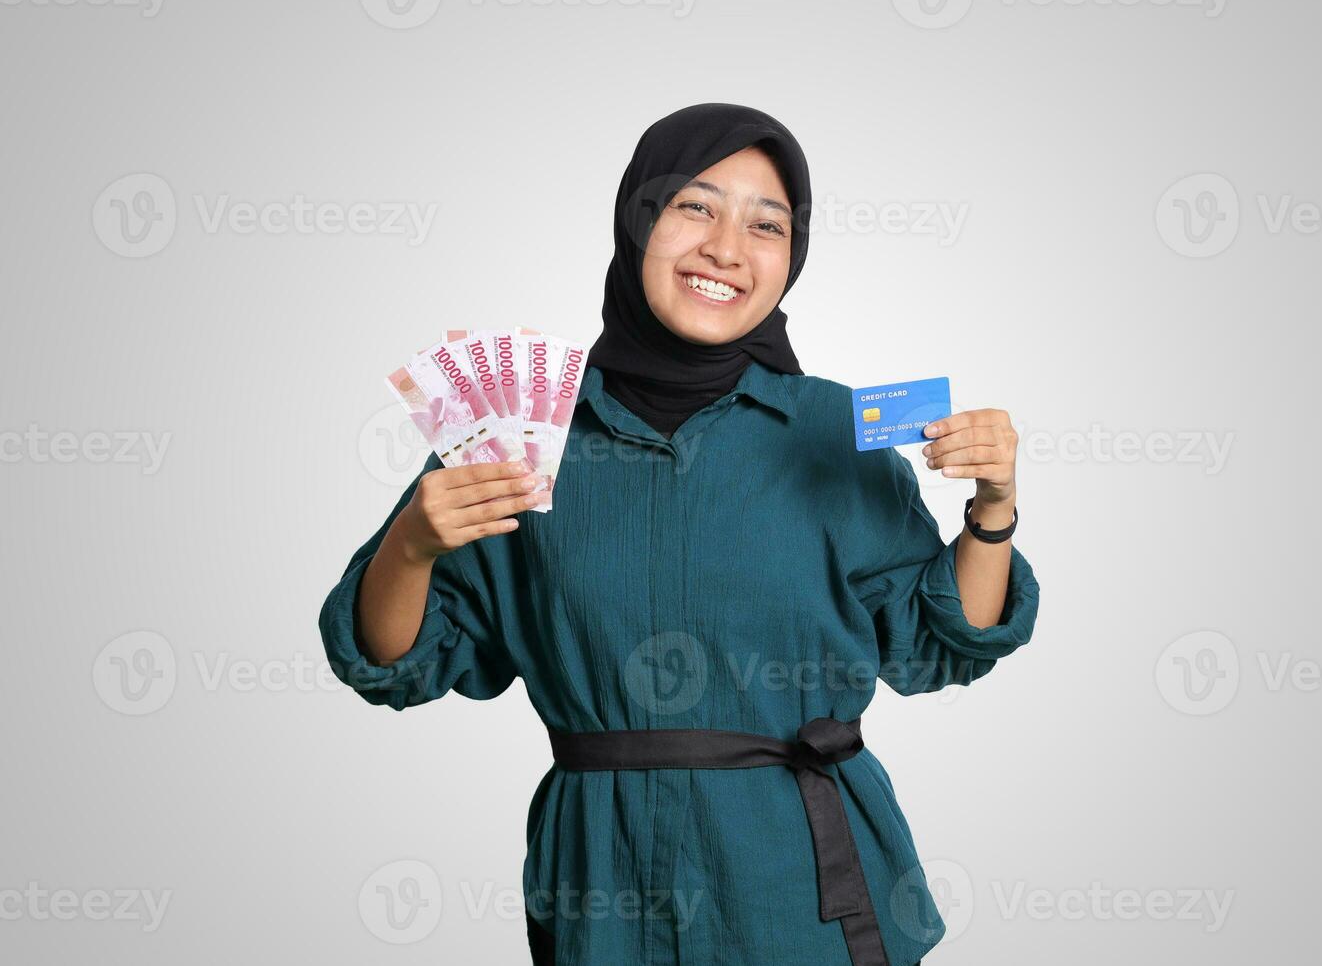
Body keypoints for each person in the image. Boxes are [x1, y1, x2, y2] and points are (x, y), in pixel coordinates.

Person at [319, 102, 1040, 966]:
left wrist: (992, 507)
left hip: (807, 892)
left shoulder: (835, 433)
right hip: (604, 889)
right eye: (696, 207)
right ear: (638, 222)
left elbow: (937, 648)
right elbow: (394, 665)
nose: (727, 249)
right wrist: (410, 544)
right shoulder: (517, 430)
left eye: (765, 225)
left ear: (790, 260)